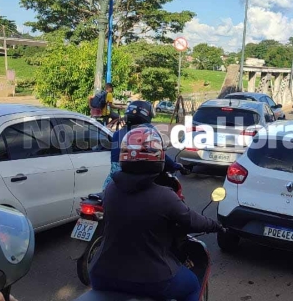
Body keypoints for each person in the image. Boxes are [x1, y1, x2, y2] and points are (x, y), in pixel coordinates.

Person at [89, 126, 223, 301]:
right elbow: (192, 221)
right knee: (192, 286)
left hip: (101, 274)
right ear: (157, 156)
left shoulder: (111, 189)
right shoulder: (164, 196)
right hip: (153, 280)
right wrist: (216, 225)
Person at [102, 100, 184, 190]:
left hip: (112, 184)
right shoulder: (149, 131)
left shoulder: (117, 133)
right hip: (140, 184)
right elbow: (160, 155)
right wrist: (175, 166)